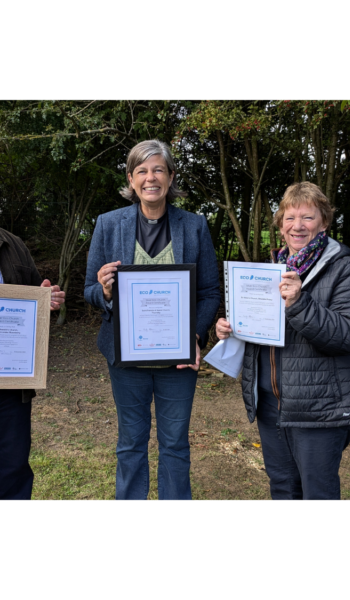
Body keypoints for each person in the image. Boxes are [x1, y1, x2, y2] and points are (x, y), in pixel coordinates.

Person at [214, 182, 350, 500]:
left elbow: (349, 335)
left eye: (307, 217)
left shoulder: (346, 269)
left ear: (324, 222)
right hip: (270, 405)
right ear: (280, 225)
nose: (297, 226)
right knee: (283, 488)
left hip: (318, 408)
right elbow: (262, 331)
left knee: (318, 492)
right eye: (289, 218)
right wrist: (233, 329)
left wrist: (300, 302)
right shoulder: (270, 270)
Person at [84, 140, 220, 500]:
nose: (150, 178)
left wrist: (194, 335)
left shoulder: (194, 226)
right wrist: (105, 291)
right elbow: (89, 290)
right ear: (131, 179)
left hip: (177, 359)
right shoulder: (109, 224)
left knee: (175, 443)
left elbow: (209, 292)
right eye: (142, 171)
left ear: (171, 176)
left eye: (158, 169)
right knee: (131, 442)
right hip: (126, 359)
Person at [0, 228, 65, 500]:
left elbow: (38, 297)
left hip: (11, 384)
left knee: (12, 470)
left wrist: (49, 300)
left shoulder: (12, 245)